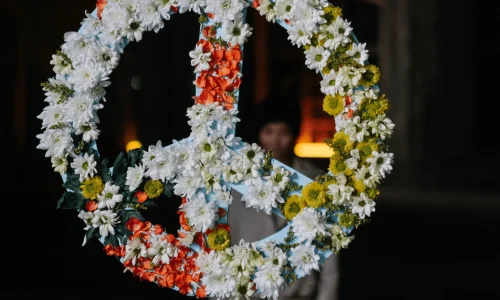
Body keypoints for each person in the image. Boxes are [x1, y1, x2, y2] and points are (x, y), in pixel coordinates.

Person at [228, 96, 340, 300]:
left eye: (284, 132)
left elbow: (328, 251)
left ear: (295, 134)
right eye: (269, 132)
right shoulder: (235, 181)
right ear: (258, 134)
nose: (276, 141)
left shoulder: (315, 182)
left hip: (299, 293)